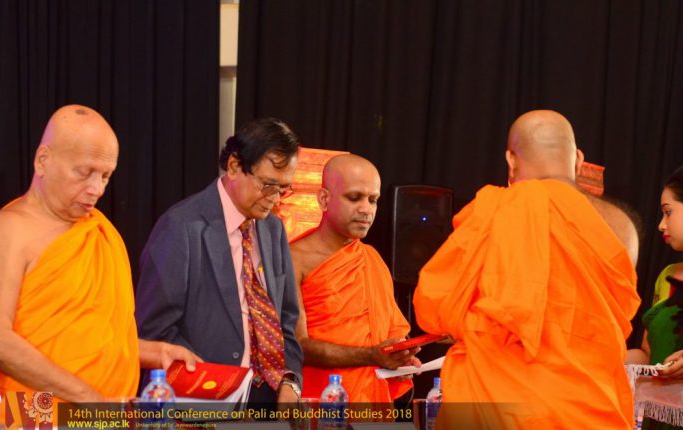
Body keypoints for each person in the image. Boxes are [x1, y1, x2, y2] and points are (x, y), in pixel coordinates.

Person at [414, 110, 641, 428]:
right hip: (588, 406)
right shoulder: (620, 226)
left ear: (511, 160)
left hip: (497, 408)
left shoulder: (493, 213)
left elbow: (436, 306)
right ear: (578, 159)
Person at [0, 105, 199, 403]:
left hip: (108, 414)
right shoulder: (8, 230)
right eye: (84, 173)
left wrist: (156, 352)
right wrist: (92, 402)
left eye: (106, 176)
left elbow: (88, 339)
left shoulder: (99, 230)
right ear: (43, 160)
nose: (96, 189)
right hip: (31, 414)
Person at [135, 118, 304, 406]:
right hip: (203, 401)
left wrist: (290, 381)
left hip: (267, 398)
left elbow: (286, 319)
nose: (275, 199)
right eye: (268, 185)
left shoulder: (273, 229)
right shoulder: (180, 227)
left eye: (283, 189)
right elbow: (154, 330)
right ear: (235, 166)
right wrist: (215, 382)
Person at [289, 154, 420, 403]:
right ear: (324, 199)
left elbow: (389, 335)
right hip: (319, 404)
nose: (366, 209)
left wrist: (400, 358)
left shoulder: (372, 259)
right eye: (354, 197)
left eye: (373, 200)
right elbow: (297, 345)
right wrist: (372, 355)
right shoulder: (294, 259)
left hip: (372, 404)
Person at [627, 165, 683, 378]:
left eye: (668, 212)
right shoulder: (667, 276)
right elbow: (648, 355)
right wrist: (604, 356)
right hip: (658, 398)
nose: (661, 225)